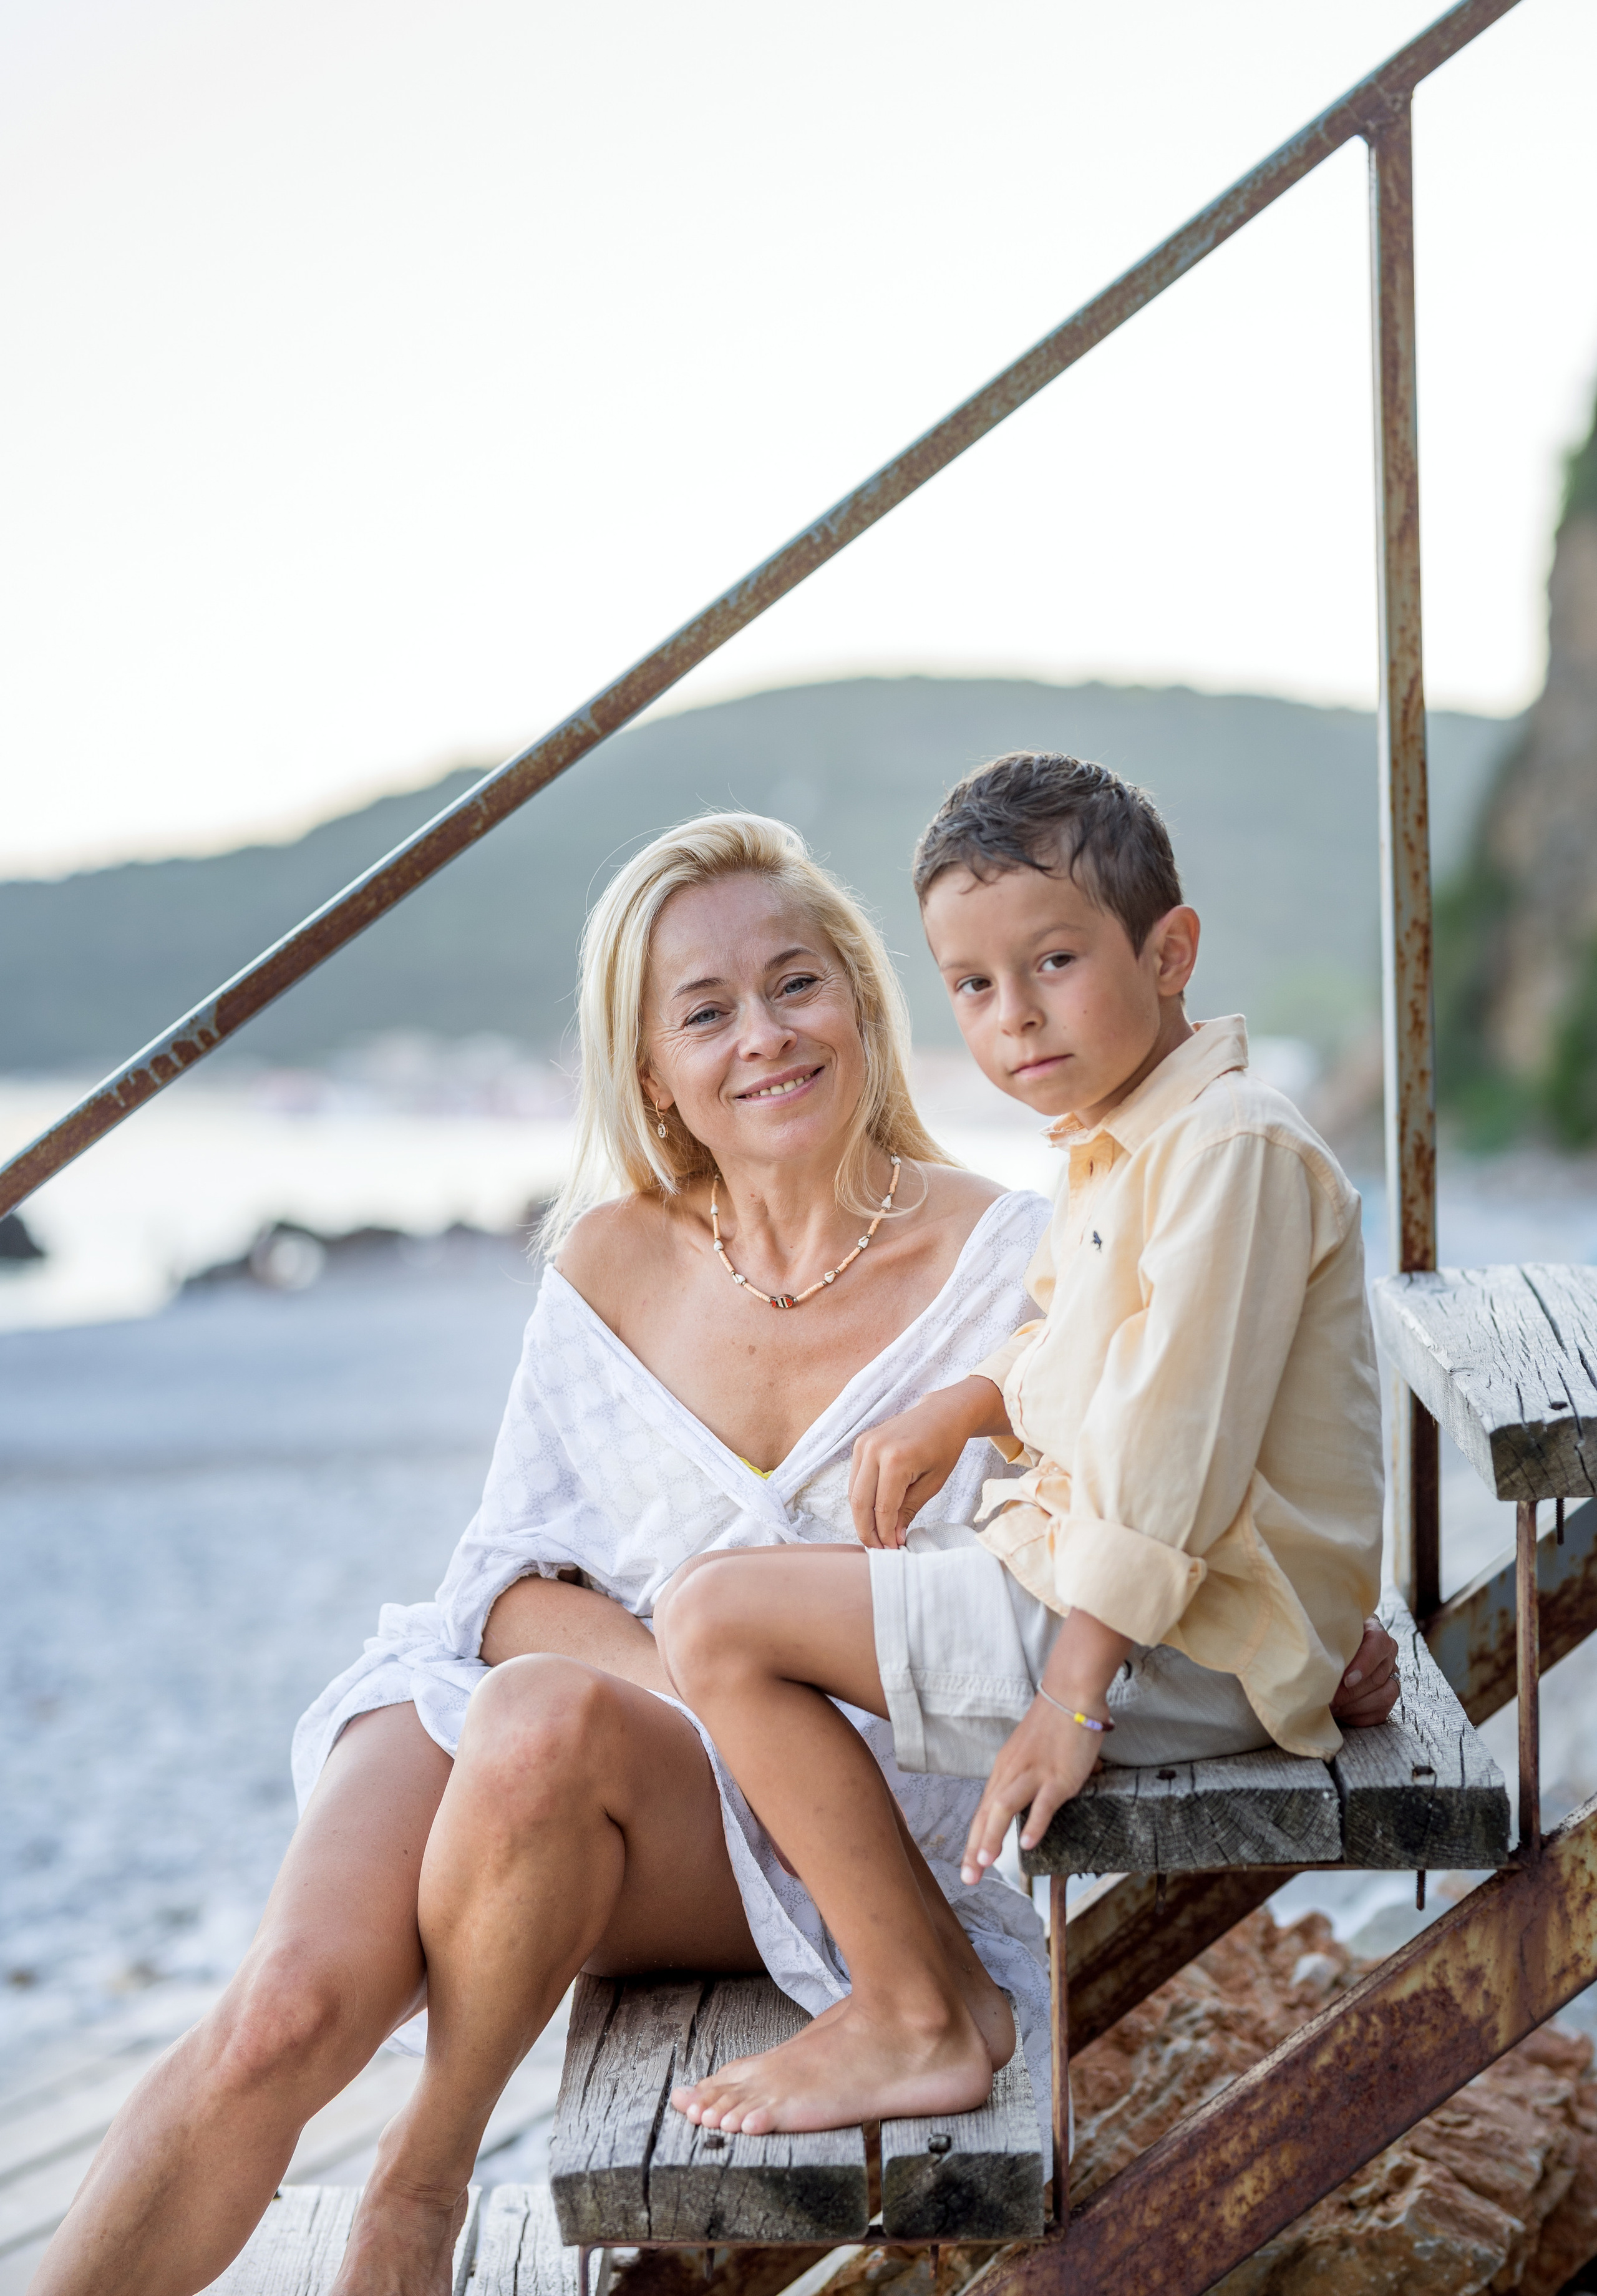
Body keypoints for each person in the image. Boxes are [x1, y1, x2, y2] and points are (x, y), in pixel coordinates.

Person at [36, 807, 1397, 2296]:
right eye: (705, 1011)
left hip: (787, 1815)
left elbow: (1155, 1460)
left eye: (795, 983)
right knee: (286, 2006)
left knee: (544, 1729)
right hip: (531, 1705)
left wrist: (1322, 1638)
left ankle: (417, 2178)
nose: (763, 1035)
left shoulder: (1009, 1250)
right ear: (654, 1076)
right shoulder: (610, 1254)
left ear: (863, 1003)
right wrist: (694, 1676)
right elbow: (501, 1587)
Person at [657, 754, 1388, 2138]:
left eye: (1052, 961)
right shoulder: (1132, 1138)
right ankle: (912, 1979)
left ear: (1166, 951)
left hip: (1168, 1638)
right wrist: (968, 1403)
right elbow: (1076, 1347)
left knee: (716, 1619)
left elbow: (1166, 1444)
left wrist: (1072, 1697)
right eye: (975, 987)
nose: (1014, 1018)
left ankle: (916, 2013)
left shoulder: (1229, 1150)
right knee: (774, 1586)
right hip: (1190, 1623)